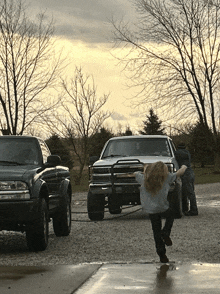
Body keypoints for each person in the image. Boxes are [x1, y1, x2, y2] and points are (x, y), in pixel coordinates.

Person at [118, 161, 187, 263]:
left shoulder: (144, 179)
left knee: (156, 230)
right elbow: (180, 172)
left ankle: (161, 254)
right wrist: (184, 166)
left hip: (150, 209)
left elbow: (135, 173)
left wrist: (144, 168)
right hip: (162, 207)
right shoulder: (167, 177)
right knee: (171, 214)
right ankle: (166, 232)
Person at [174, 143, 198, 216]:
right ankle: (189, 209)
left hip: (185, 173)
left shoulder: (177, 153)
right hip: (190, 172)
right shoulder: (187, 152)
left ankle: (192, 210)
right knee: (190, 192)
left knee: (188, 192)